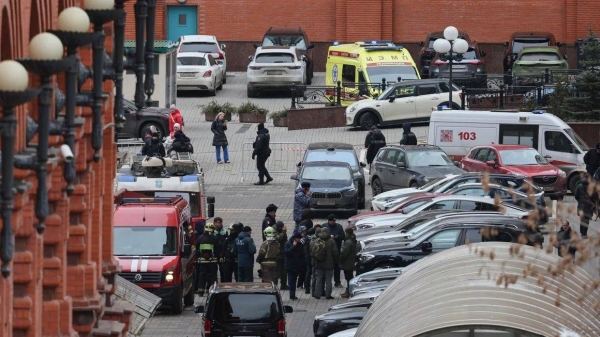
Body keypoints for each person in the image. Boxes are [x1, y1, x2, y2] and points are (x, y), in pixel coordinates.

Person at [312, 227, 338, 299]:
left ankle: (317, 294)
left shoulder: (317, 240)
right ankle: (328, 295)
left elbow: (313, 252)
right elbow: (335, 253)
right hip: (329, 264)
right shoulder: (331, 241)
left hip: (319, 264)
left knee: (319, 279)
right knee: (328, 280)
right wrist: (336, 261)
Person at [195, 223, 220, 296]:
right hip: (213, 261)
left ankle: (200, 291)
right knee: (213, 276)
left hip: (202, 261)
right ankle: (213, 290)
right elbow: (218, 249)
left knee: (202, 276)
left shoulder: (200, 238)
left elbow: (197, 249)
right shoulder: (215, 238)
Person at [284, 226, 307, 300]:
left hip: (297, 266)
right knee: (291, 280)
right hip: (290, 266)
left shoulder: (300, 244)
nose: (299, 240)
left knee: (294, 280)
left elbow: (302, 254)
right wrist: (293, 246)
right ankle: (292, 294)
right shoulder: (288, 243)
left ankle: (293, 294)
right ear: (295, 239)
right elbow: (287, 253)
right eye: (298, 239)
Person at [323, 214, 345, 288]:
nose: (334, 222)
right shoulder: (324, 227)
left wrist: (337, 236)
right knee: (326, 267)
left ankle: (337, 282)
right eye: (332, 221)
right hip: (327, 251)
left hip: (336, 250)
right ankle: (325, 282)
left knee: (337, 267)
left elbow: (343, 236)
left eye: (334, 221)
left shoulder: (339, 226)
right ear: (329, 221)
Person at [339, 227, 357, 298]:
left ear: (347, 233)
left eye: (345, 233)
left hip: (347, 263)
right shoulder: (352, 240)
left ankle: (349, 291)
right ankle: (348, 291)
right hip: (350, 262)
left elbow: (344, 253)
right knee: (349, 277)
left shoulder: (348, 242)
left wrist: (340, 259)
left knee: (348, 278)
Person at [308, 225, 324, 296]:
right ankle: (314, 291)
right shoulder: (314, 240)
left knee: (320, 276)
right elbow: (312, 251)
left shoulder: (316, 239)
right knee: (314, 276)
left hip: (318, 260)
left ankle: (320, 290)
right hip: (315, 261)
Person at [272, 221, 288, 290]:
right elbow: (278, 238)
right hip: (276, 254)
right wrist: (283, 232)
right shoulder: (273, 231)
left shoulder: (280, 231)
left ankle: (283, 284)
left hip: (282, 253)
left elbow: (284, 239)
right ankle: (274, 285)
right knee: (276, 271)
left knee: (284, 271)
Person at [212, 217, 228, 282]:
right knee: (214, 270)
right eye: (217, 222)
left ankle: (223, 283)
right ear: (214, 223)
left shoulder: (224, 231)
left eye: (219, 222)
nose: (218, 224)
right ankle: (215, 282)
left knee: (222, 269)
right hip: (214, 253)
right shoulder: (212, 231)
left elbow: (226, 241)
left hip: (221, 253)